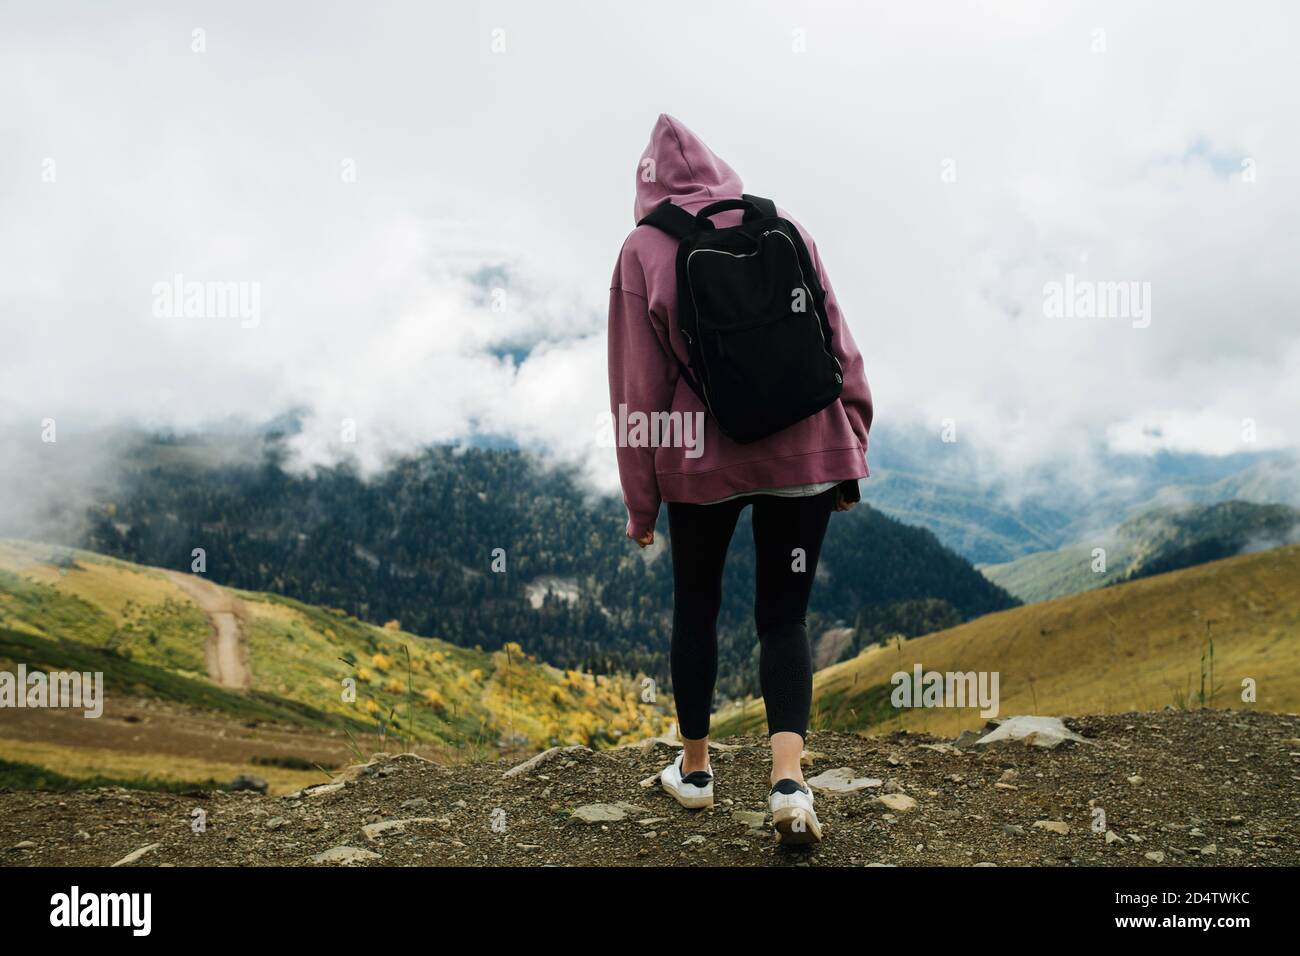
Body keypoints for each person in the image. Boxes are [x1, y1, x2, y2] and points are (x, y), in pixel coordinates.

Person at [607, 114, 873, 844]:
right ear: (721, 170)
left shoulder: (643, 250)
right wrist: (850, 442)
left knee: (696, 605)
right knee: (783, 617)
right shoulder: (782, 224)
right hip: (808, 445)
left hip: (702, 461)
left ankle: (695, 773)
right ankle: (789, 785)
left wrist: (642, 504)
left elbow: (637, 390)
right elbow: (837, 341)